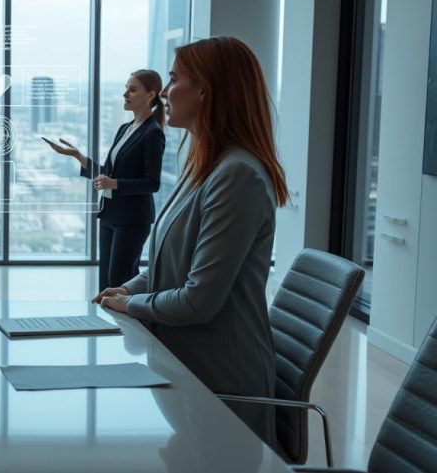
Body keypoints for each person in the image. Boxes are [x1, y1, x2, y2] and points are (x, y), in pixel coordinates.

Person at [92, 36, 289, 448]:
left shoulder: (237, 175)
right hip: (184, 366)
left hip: (219, 382)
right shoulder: (205, 166)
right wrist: (128, 288)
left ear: (205, 90)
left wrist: (129, 305)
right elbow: (173, 268)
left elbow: (199, 300)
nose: (164, 92)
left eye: (174, 79)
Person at [47, 70, 166, 292]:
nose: (125, 94)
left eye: (132, 89)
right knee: (106, 281)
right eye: (125, 88)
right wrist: (77, 156)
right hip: (110, 214)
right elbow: (108, 175)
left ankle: (135, 325)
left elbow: (152, 183)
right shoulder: (125, 129)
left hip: (132, 218)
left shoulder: (152, 133)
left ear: (151, 95)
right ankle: (109, 325)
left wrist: (114, 184)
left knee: (120, 279)